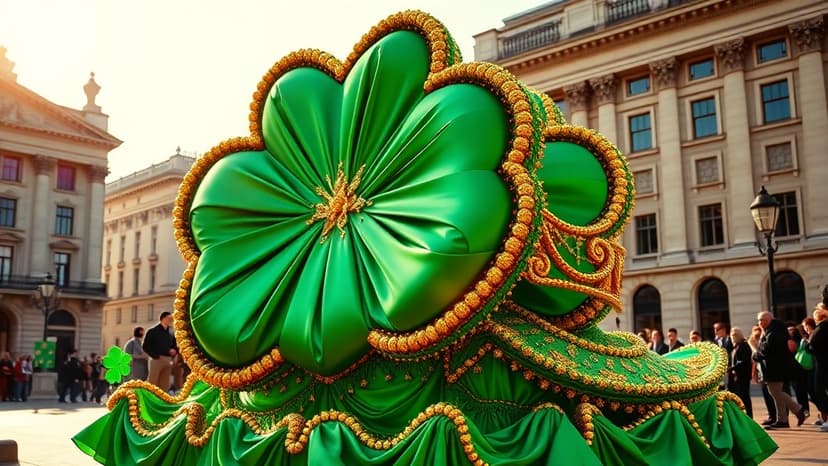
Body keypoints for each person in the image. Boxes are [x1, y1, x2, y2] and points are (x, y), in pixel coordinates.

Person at [753, 311, 806, 429]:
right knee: (775, 393)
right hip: (775, 368)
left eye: (761, 320)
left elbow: (766, 349)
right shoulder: (774, 329)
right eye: (759, 320)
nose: (759, 323)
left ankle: (797, 410)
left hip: (775, 368)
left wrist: (755, 355)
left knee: (776, 392)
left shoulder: (773, 331)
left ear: (768, 320)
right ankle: (782, 420)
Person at [143, 312, 177, 393]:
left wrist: (174, 350)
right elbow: (145, 346)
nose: (171, 320)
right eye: (169, 318)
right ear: (163, 319)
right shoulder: (153, 331)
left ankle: (161, 402)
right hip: (156, 360)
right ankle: (150, 400)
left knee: (165, 384)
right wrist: (155, 356)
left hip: (168, 360)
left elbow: (174, 345)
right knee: (153, 382)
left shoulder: (171, 332)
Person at [810, 304, 828, 431]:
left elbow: (813, 345)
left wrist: (808, 346)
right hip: (823, 362)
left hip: (823, 363)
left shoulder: (823, 327)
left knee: (820, 390)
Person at [727, 327, 752, 417]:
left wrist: (732, 368)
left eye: (735, 335)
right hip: (736, 376)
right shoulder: (735, 346)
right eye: (732, 335)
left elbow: (744, 361)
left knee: (744, 397)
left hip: (742, 376)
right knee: (738, 397)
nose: (733, 337)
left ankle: (748, 416)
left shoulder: (743, 345)